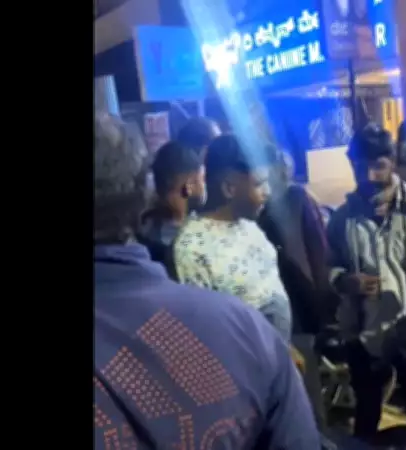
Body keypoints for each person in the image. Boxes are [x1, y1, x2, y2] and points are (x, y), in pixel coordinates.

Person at [94, 113, 323, 450]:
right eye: (258, 183)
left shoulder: (252, 239)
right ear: (144, 194)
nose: (265, 192)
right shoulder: (245, 329)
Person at [327, 124, 406, 442]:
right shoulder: (342, 219)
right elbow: (330, 267)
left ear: (393, 162)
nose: (368, 176)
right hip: (365, 337)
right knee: (366, 418)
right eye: (360, 167)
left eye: (378, 166)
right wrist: (344, 281)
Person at [172, 135, 294, 340]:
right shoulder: (192, 248)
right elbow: (205, 330)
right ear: (229, 188)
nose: (267, 192)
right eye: (259, 184)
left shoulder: (249, 227)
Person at [258, 148, 339, 433]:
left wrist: (323, 302)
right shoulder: (256, 210)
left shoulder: (295, 199)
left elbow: (318, 252)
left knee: (307, 385)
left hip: (300, 307)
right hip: (277, 309)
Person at [138, 141, 206, 275]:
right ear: (189, 186)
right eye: (202, 179)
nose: (204, 186)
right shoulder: (196, 238)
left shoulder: (142, 227)